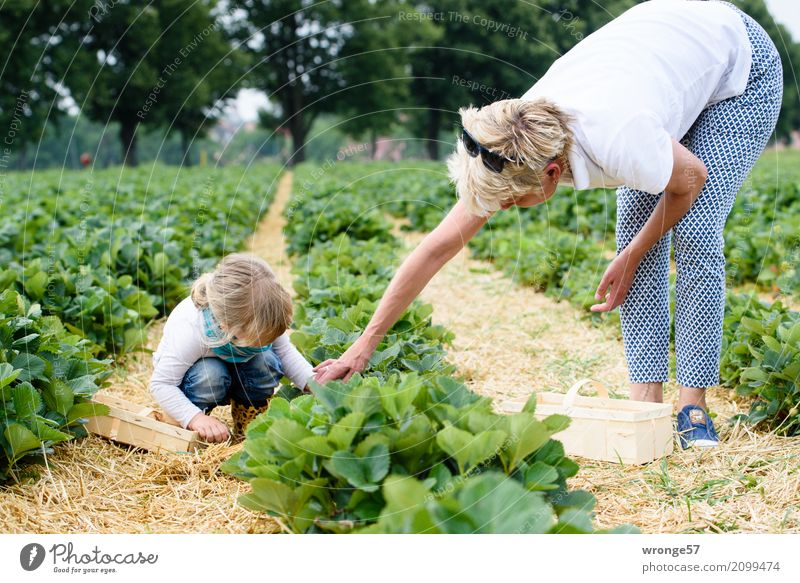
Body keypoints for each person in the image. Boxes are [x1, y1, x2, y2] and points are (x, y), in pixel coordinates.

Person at [314, 0, 783, 449]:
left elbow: (691, 180)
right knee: (634, 229)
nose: (508, 210)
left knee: (695, 230)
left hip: (737, 63)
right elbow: (437, 246)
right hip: (659, 60)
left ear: (551, 174)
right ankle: (646, 409)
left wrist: (633, 255)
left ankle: (692, 409)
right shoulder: (510, 140)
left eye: (515, 202)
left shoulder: (621, 137)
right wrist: (364, 344)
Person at [150, 254, 314, 442]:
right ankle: (194, 424)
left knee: (266, 361)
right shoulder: (191, 330)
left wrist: (315, 383)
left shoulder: (260, 315)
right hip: (199, 378)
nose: (266, 342)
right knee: (211, 374)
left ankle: (248, 420)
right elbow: (162, 384)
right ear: (226, 326)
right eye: (260, 339)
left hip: (237, 366)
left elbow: (285, 353)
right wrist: (195, 418)